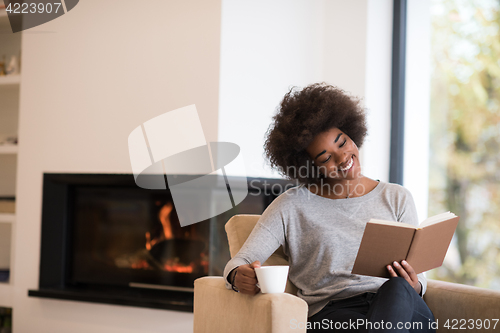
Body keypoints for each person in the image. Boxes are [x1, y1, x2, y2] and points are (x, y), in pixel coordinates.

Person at [223, 83, 436, 332]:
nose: (343, 157)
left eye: (342, 142)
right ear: (310, 166)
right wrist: (237, 276)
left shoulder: (397, 197)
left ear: (352, 133)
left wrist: (415, 285)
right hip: (335, 316)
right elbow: (238, 262)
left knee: (397, 289)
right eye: (325, 157)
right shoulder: (291, 206)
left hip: (402, 308)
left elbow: (418, 278)